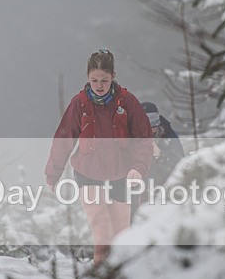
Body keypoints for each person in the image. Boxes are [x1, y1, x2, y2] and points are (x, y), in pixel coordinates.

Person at [45, 49, 153, 267]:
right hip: (88, 173)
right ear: (87, 78)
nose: (99, 85)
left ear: (113, 76)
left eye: (104, 80)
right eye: (94, 80)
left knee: (121, 235)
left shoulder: (127, 102)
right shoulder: (80, 103)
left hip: (122, 173)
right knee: (102, 233)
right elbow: (64, 139)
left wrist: (139, 168)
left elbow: (143, 139)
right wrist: (52, 175)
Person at [131, 102, 185, 221]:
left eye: (154, 123)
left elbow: (180, 165)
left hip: (164, 194)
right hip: (136, 197)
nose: (150, 128)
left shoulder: (168, 136)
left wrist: (160, 155)